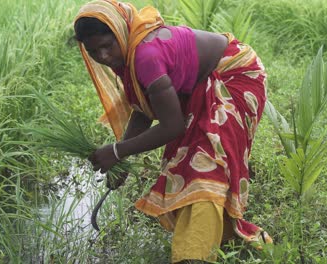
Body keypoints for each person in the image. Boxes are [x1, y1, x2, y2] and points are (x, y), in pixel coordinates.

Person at [73, 0, 273, 262]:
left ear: (120, 31)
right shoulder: (127, 52)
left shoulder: (145, 54)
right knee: (193, 160)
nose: (103, 57)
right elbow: (144, 110)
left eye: (107, 46)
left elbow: (172, 126)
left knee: (205, 164)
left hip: (233, 76)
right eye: (93, 51)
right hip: (201, 84)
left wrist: (116, 151)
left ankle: (194, 256)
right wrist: (120, 157)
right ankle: (217, 238)